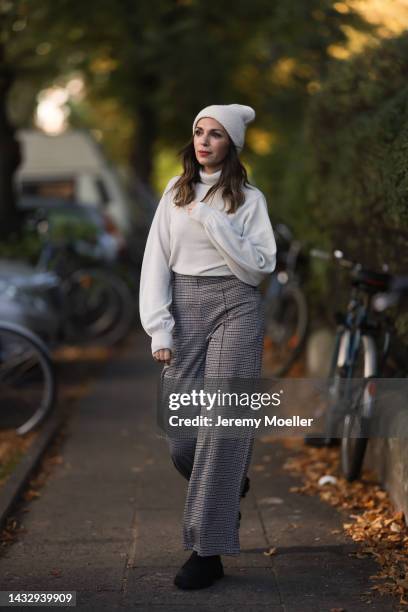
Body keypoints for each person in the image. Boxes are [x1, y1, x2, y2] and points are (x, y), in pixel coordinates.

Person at [139, 103, 277, 590]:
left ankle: (207, 550)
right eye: (199, 131)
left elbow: (259, 266)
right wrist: (159, 328)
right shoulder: (174, 194)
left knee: (222, 426)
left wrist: (214, 221)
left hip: (237, 306)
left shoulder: (250, 200)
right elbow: (155, 260)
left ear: (231, 145)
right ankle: (228, 483)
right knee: (181, 437)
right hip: (185, 305)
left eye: (216, 134)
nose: (204, 140)